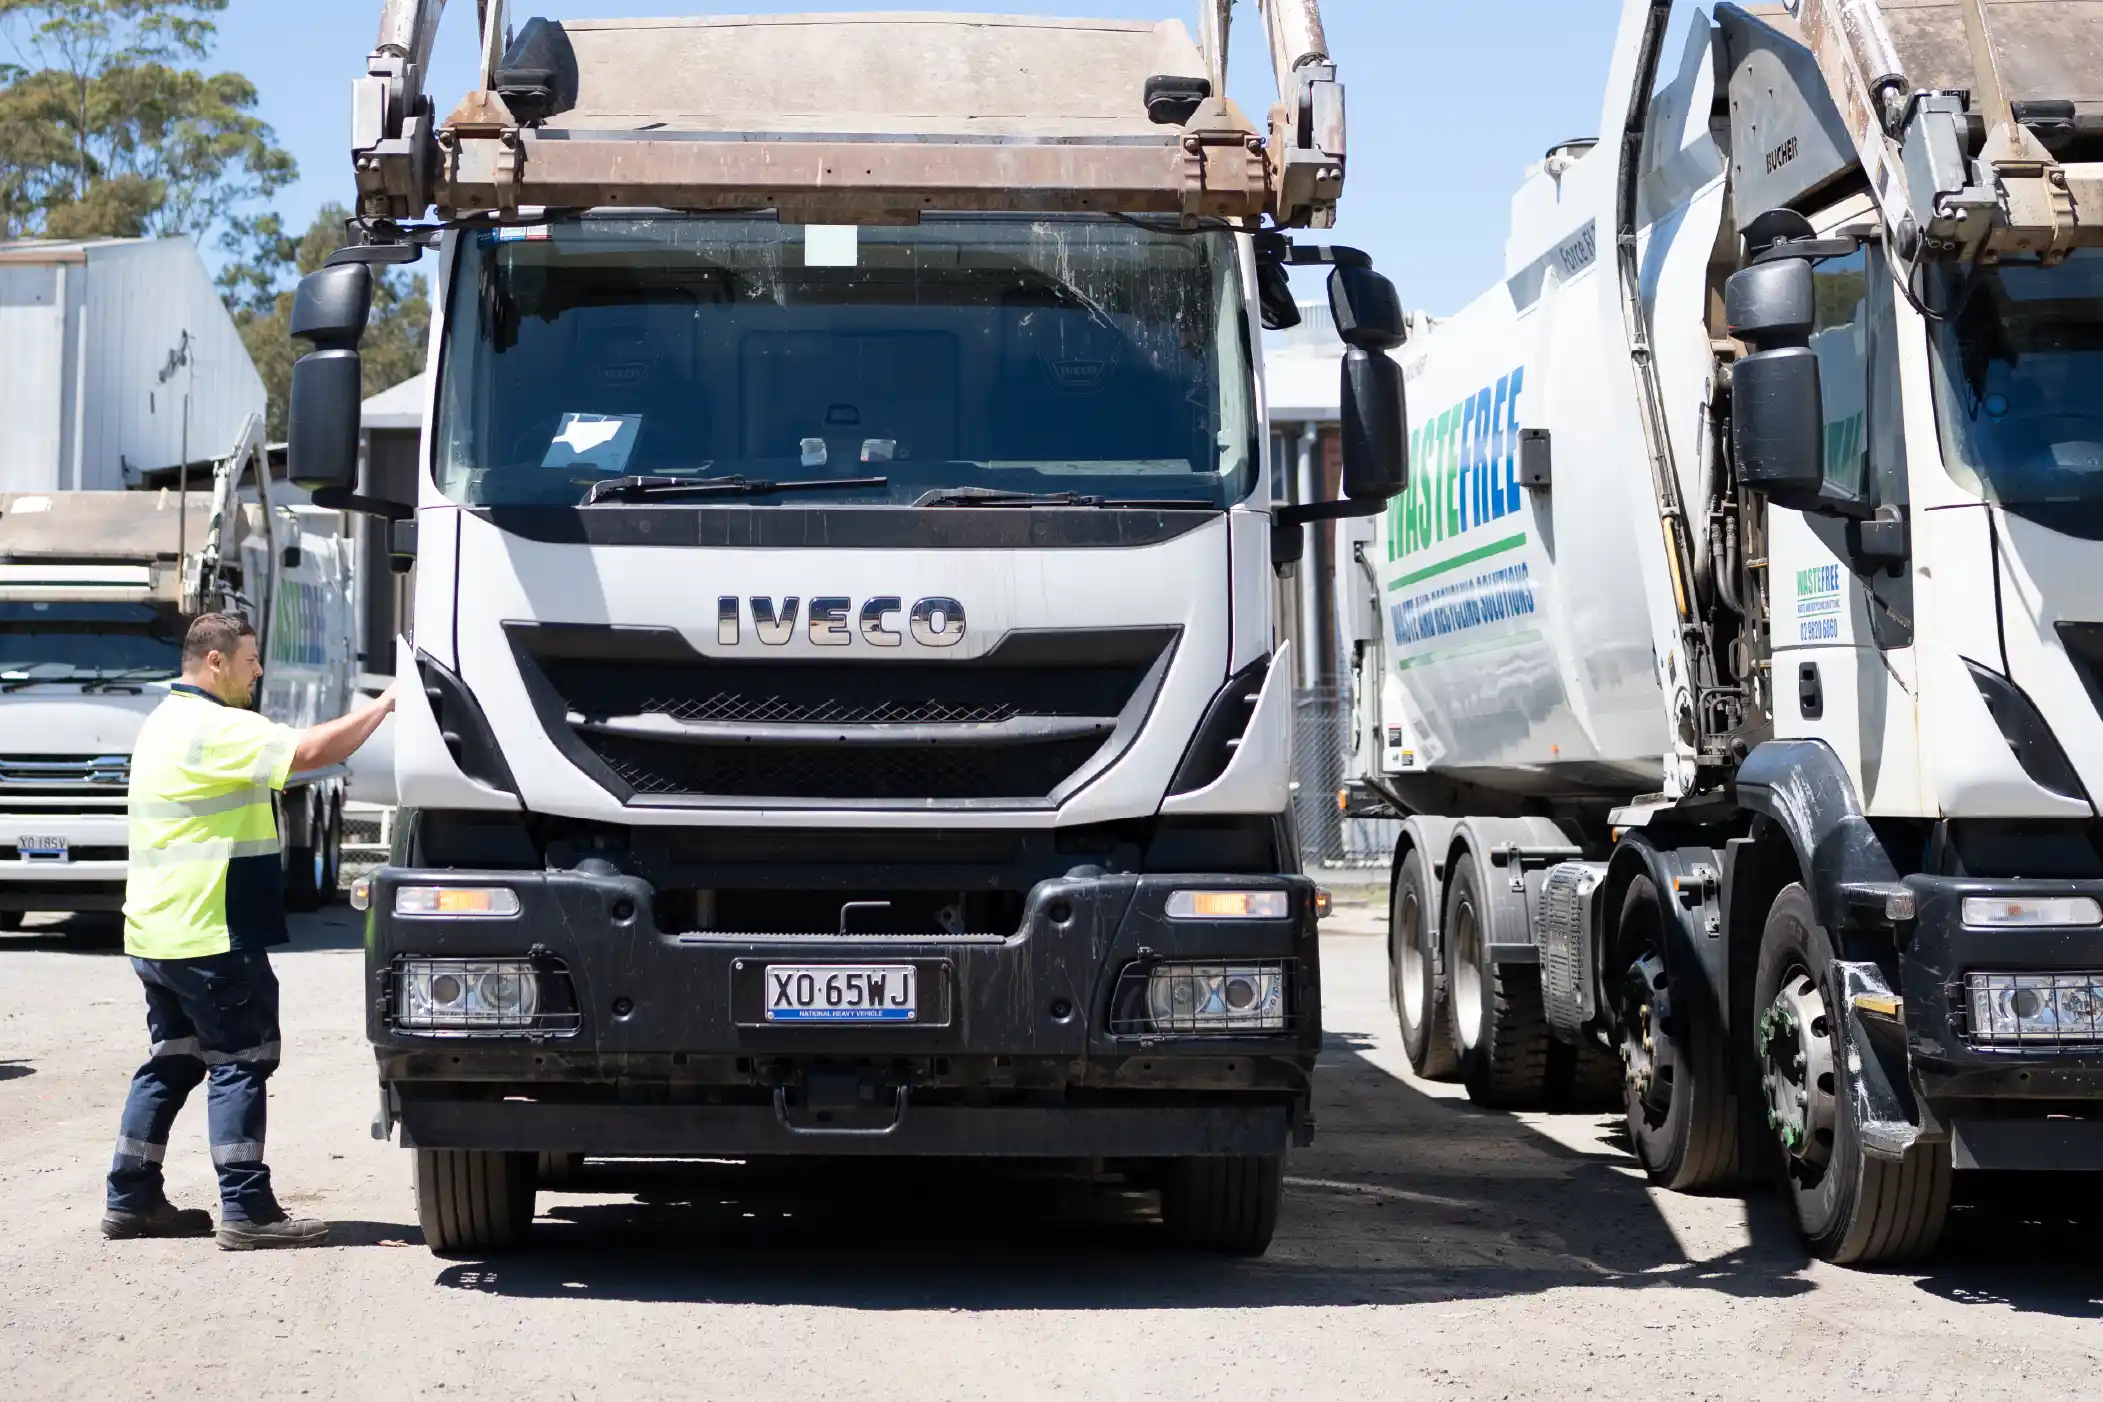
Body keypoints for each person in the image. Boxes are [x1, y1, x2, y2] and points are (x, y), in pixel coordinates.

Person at [102, 612, 395, 1249]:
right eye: (250, 659)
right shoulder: (217, 727)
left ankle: (131, 1197)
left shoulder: (163, 723)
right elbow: (314, 752)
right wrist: (387, 705)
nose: (257, 670)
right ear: (216, 661)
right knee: (241, 1060)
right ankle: (246, 1207)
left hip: (156, 934)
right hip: (211, 932)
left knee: (173, 1061)